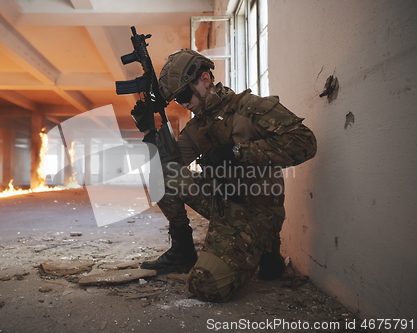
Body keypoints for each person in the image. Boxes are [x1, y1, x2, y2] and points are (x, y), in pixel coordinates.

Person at [134, 49, 317, 302]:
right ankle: (183, 250)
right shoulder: (198, 127)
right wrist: (148, 132)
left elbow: (305, 142)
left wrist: (237, 152)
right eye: (178, 100)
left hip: (257, 211)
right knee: (163, 175)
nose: (184, 104)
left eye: (185, 94)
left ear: (205, 79)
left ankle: (266, 246)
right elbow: (167, 168)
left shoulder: (251, 108)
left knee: (204, 286)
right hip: (222, 204)